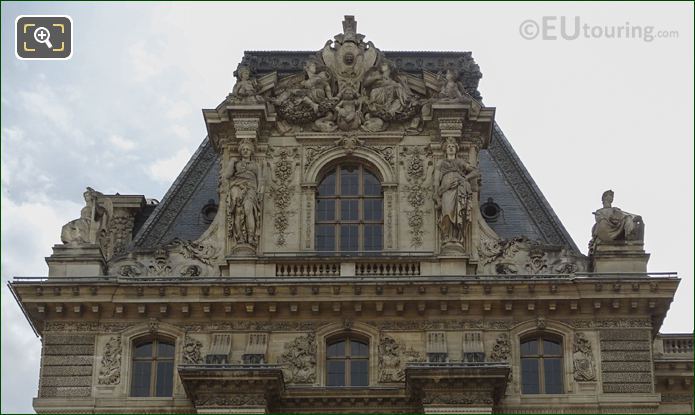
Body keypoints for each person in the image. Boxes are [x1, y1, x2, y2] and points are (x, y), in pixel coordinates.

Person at [434, 139, 479, 245]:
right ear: (445, 149)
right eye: (449, 146)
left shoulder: (459, 162)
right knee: (447, 212)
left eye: (453, 146)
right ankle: (446, 236)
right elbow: (436, 180)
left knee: (459, 212)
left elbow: (475, 171)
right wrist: (436, 194)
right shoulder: (441, 163)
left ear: (456, 149)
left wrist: (465, 179)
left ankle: (455, 236)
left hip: (459, 189)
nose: (450, 148)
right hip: (446, 190)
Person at [224, 139, 261, 247]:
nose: (245, 151)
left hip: (251, 188)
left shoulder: (256, 165)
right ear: (240, 151)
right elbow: (227, 175)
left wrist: (259, 192)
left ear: (251, 151)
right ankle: (240, 237)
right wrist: (231, 162)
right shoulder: (237, 164)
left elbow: (260, 179)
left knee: (248, 209)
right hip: (237, 186)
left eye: (247, 149)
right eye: (243, 149)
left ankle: (250, 236)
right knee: (238, 211)